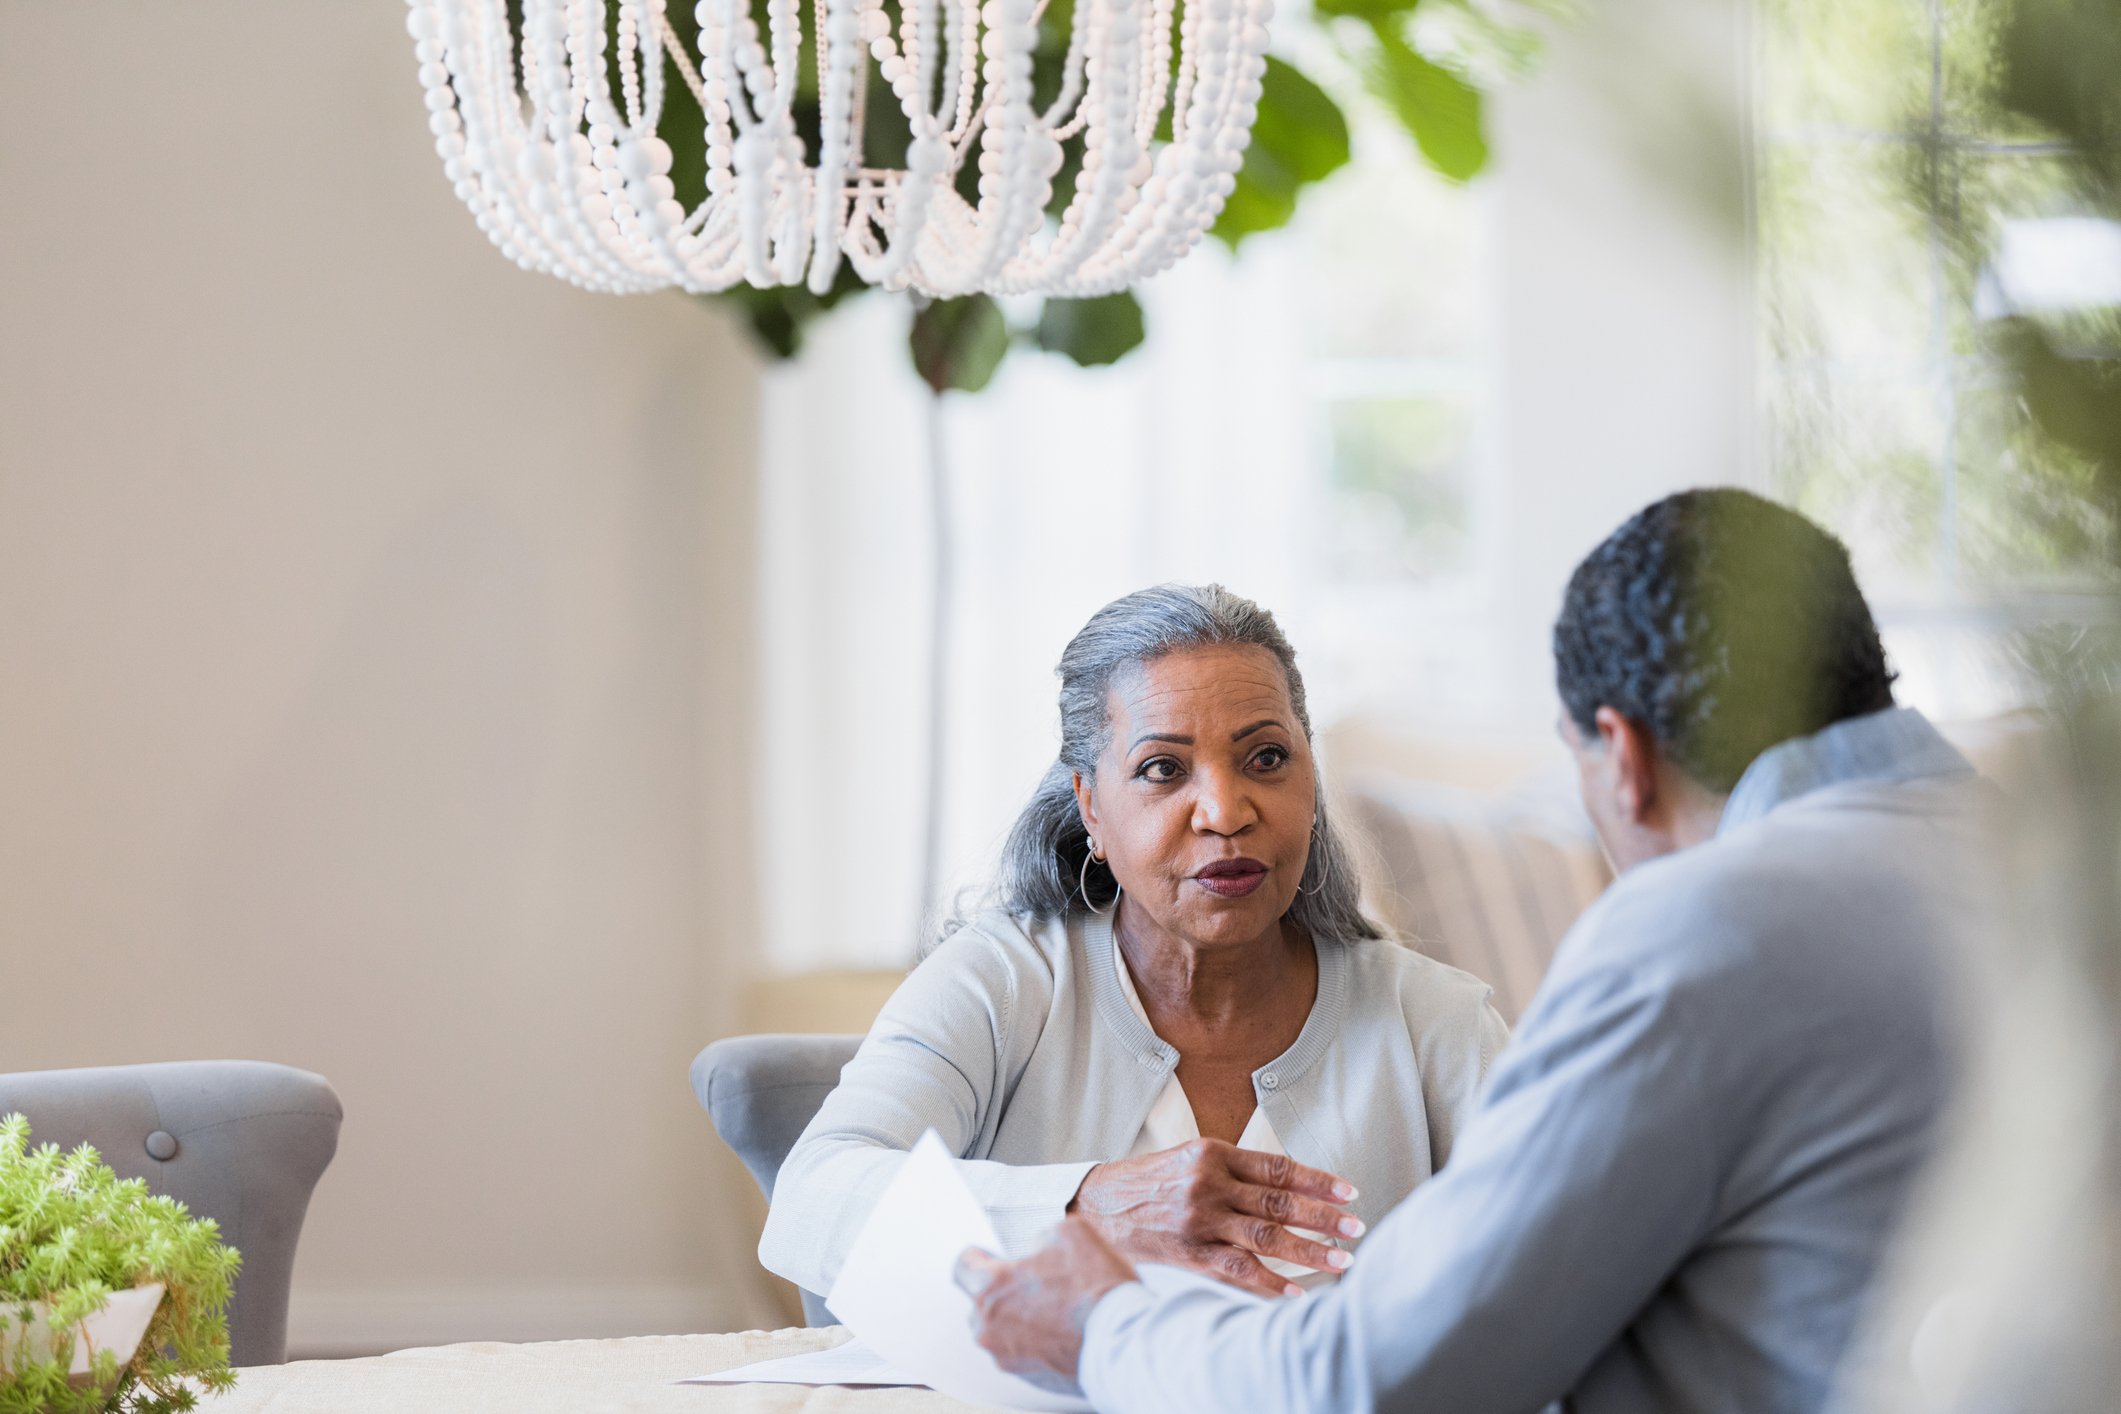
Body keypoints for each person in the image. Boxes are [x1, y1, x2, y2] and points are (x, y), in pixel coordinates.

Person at [957, 489, 1992, 1414]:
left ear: (1620, 757)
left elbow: (1377, 1380)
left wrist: (1103, 1325)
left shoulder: (1698, 930)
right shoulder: (2054, 869)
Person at [759, 584, 1509, 1302]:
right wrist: (1086, 1206)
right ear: (1090, 805)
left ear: (1310, 783)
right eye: (1162, 770)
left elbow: (1547, 1261)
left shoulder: (1434, 1018)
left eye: (1266, 759)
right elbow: (811, 1203)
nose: (1223, 810)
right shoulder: (1003, 981)